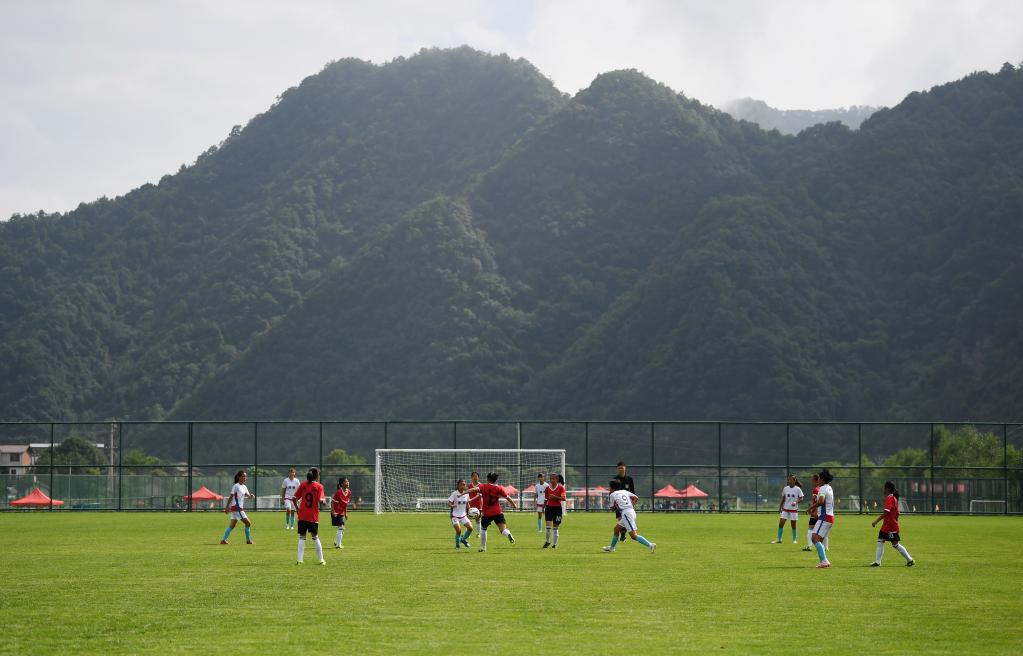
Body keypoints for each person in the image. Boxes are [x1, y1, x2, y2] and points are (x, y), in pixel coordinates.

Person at [602, 479, 656, 553]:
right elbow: (636, 498)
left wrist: (618, 506)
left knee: (633, 536)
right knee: (616, 529)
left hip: (626, 514)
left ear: (612, 488)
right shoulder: (624, 491)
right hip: (631, 511)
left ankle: (650, 544)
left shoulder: (612, 494)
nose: (609, 489)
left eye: (609, 487)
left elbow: (612, 508)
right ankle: (612, 548)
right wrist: (630, 505)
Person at [467, 472, 517, 552]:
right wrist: (514, 504)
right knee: (503, 530)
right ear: (496, 480)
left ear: (488, 479)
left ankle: (483, 548)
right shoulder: (499, 488)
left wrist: (463, 493)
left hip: (487, 514)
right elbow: (508, 497)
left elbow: (473, 489)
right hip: (498, 512)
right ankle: (508, 534)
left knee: (483, 529)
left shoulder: (483, 486)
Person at [871, 481, 915, 567]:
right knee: (880, 541)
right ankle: (877, 562)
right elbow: (897, 513)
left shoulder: (890, 498)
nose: (883, 490)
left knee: (895, 544)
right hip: (888, 525)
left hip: (890, 526)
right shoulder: (894, 498)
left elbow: (886, 513)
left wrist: (875, 521)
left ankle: (910, 560)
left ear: (887, 489)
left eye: (884, 488)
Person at [294, 467, 326, 565]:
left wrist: (297, 509)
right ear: (316, 476)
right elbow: (321, 500)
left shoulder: (303, 484)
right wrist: (324, 502)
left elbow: (294, 498)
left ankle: (300, 560)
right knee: (315, 536)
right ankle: (321, 560)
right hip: (313, 516)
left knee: (302, 537)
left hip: (302, 514)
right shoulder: (319, 486)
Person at [221, 470, 254, 545]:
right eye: (243, 476)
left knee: (232, 526)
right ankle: (248, 540)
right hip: (237, 508)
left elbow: (248, 496)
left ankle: (223, 540)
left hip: (237, 508)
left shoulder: (244, 487)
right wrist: (226, 507)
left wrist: (251, 496)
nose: (245, 478)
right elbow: (230, 497)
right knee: (248, 523)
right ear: (239, 477)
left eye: (245, 476)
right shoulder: (236, 486)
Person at [811, 469, 835, 568]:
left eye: (820, 478)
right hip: (829, 517)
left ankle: (824, 561)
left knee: (814, 538)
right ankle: (825, 560)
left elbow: (821, 502)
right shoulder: (829, 488)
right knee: (818, 540)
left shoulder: (822, 489)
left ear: (822, 479)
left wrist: (811, 507)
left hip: (824, 517)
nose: (818, 480)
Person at [773, 474, 804, 544]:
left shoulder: (798, 489)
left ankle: (794, 540)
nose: (789, 481)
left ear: (794, 480)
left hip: (793, 510)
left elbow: (801, 498)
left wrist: (796, 502)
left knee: (793, 525)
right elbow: (783, 498)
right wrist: (780, 507)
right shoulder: (785, 488)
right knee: (781, 523)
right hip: (785, 509)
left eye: (790, 479)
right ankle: (779, 539)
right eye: (788, 479)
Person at [612, 461, 636, 545]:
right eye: (619, 468)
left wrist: (632, 503)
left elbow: (633, 492)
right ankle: (622, 535)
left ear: (625, 468)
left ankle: (623, 536)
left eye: (622, 467)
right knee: (620, 520)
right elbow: (612, 491)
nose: (620, 469)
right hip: (618, 504)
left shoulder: (629, 479)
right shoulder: (615, 479)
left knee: (624, 520)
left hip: (627, 504)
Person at [447, 479, 475, 549]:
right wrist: (452, 505)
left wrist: (470, 511)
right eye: (462, 484)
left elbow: (467, 503)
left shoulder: (466, 494)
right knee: (458, 531)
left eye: (464, 484)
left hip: (463, 515)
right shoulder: (454, 493)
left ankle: (463, 539)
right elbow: (449, 503)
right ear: (458, 485)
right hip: (455, 516)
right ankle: (457, 545)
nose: (463, 486)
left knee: (470, 528)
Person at [542, 473, 566, 549]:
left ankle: (554, 544)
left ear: (557, 479)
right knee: (548, 526)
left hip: (557, 509)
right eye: (550, 479)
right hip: (549, 508)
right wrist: (543, 507)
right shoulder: (547, 488)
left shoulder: (561, 488)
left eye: (553, 479)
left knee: (555, 527)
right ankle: (547, 541)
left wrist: (554, 497)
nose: (551, 480)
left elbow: (564, 498)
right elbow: (546, 499)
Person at [331, 477, 354, 550]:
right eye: (346, 482)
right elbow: (332, 502)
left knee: (341, 528)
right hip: (336, 512)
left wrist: (346, 513)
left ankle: (336, 541)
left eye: (348, 481)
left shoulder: (349, 492)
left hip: (341, 513)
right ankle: (338, 545)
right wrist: (333, 511)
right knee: (341, 527)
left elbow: (345, 504)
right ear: (341, 484)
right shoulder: (338, 492)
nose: (348, 483)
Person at [802, 473, 821, 552]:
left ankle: (809, 546)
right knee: (821, 530)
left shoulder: (815, 489)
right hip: (820, 512)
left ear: (817, 481)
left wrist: (813, 510)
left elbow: (816, 501)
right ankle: (826, 547)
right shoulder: (820, 489)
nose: (811, 481)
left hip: (815, 512)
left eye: (812, 480)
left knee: (810, 528)